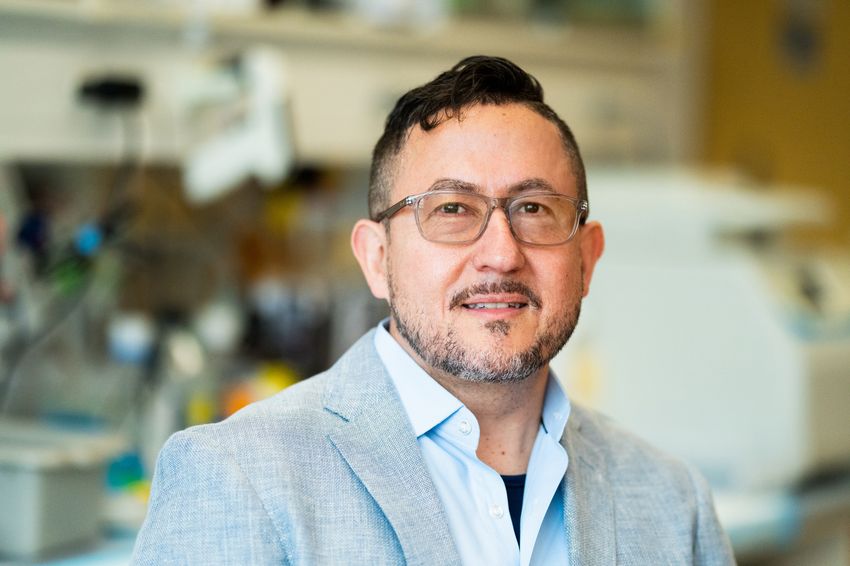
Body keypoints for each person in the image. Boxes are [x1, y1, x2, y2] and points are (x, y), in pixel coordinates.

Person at [132, 55, 735, 565]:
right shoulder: (237, 477)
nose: (500, 255)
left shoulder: (673, 502)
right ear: (376, 258)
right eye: (451, 209)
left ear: (587, 258)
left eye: (534, 208)